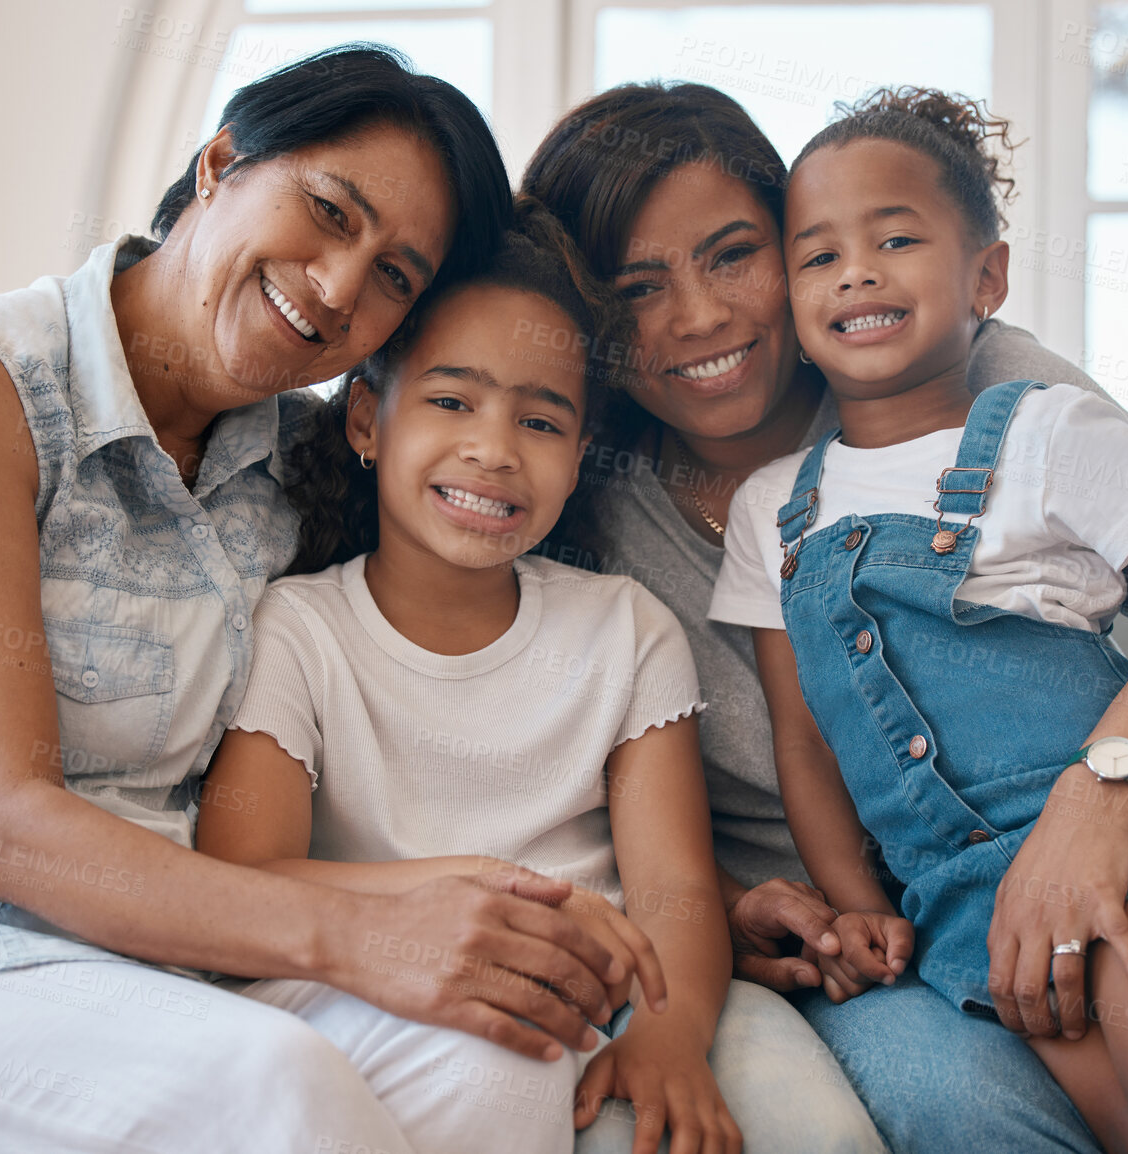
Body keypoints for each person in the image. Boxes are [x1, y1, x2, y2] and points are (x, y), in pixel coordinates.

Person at [0, 48, 655, 1153]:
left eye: (397, 274)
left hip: (157, 968)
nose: (343, 284)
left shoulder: (298, 458)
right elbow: (9, 832)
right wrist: (357, 933)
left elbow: (482, 517)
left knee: (508, 1040)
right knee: (278, 1090)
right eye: (327, 210)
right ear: (220, 163)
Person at [522, 79, 1128, 1153]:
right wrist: (748, 902)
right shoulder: (566, 481)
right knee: (969, 1101)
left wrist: (1100, 799)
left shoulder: (974, 383)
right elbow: (579, 787)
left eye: (734, 253)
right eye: (637, 286)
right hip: (909, 909)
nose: (700, 315)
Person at [713, 85, 1128, 1154]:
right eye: (819, 256)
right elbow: (804, 732)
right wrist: (857, 899)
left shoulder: (1046, 433)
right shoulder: (773, 506)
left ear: (988, 275)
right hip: (963, 892)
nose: (857, 270)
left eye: (897, 238)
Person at [194, 201, 746, 1154]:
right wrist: (486, 888)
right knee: (500, 1057)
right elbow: (246, 877)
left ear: (578, 461)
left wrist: (670, 1032)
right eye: (451, 402)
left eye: (539, 420)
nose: (493, 450)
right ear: (367, 420)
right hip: (358, 984)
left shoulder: (625, 631)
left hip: (592, 997)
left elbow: (674, 892)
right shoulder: (300, 629)